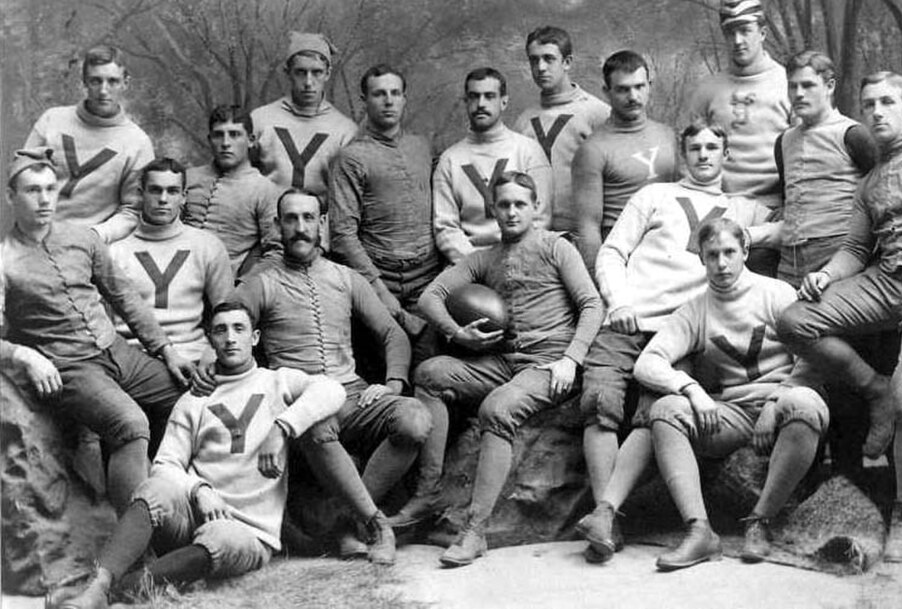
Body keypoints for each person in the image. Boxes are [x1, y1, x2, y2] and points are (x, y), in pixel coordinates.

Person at [777, 71, 902, 563]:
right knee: (795, 320)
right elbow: (857, 248)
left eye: (886, 102)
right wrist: (825, 276)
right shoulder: (871, 179)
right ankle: (873, 388)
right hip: (886, 284)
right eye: (867, 104)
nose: (876, 112)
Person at [576, 122, 780, 562]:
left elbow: (789, 229)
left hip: (683, 332)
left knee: (658, 414)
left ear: (726, 154)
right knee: (599, 402)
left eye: (713, 146)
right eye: (694, 148)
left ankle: (614, 514)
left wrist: (752, 234)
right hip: (629, 318)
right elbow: (612, 251)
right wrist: (620, 300)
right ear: (682, 154)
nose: (704, 155)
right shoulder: (654, 195)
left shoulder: (741, 209)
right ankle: (605, 517)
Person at [57, 302, 347, 609]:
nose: (230, 338)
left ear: (255, 337)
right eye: (220, 330)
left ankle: (117, 591)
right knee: (154, 489)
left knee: (220, 538)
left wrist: (282, 428)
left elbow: (332, 389)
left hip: (249, 533)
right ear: (210, 339)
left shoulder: (278, 382)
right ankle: (98, 586)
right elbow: (165, 465)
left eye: (239, 329)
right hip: (194, 516)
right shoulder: (194, 400)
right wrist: (199, 490)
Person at [393, 172, 603, 568]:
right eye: (503, 205)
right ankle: (429, 490)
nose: (510, 212)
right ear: (493, 209)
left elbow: (592, 305)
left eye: (519, 204)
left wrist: (571, 359)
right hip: (503, 362)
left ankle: (475, 529)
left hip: (549, 364)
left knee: (497, 409)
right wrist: (459, 335)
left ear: (535, 207)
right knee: (431, 374)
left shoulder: (556, 247)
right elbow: (429, 297)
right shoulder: (484, 257)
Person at [607, 217, 826, 570]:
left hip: (786, 401)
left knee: (805, 404)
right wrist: (691, 390)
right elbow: (647, 363)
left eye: (729, 253)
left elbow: (813, 360)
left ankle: (760, 520)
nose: (722, 264)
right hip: (733, 413)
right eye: (712, 255)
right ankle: (700, 531)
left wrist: (774, 402)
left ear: (745, 252)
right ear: (701, 260)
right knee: (665, 409)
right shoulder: (696, 309)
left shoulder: (777, 293)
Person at [234, 188, 431, 564]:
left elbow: (393, 334)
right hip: (301, 401)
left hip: (353, 394)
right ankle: (376, 525)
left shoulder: (345, 277)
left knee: (415, 419)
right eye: (291, 219)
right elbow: (231, 329)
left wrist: (391, 384)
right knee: (316, 426)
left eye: (309, 218)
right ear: (278, 226)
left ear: (322, 223)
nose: (300, 228)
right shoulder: (261, 282)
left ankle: (346, 523)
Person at [0, 148, 190, 513]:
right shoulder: (5, 259)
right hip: (71, 368)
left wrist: (165, 350)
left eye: (50, 189)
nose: (44, 199)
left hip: (117, 351)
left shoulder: (82, 238)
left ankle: (179, 504)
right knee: (130, 424)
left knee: (191, 399)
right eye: (32, 190)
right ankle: (134, 548)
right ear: (11, 196)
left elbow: (124, 296)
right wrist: (25, 355)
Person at [329, 64, 440, 341]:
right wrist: (379, 290)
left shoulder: (422, 147)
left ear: (404, 98)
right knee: (384, 366)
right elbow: (342, 234)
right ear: (364, 101)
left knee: (428, 363)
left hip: (427, 278)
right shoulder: (350, 158)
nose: (388, 101)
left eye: (395, 93)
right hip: (378, 279)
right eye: (379, 94)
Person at [688, 0, 791, 275]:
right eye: (730, 32)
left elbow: (809, 155)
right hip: (718, 204)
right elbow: (691, 152)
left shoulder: (787, 84)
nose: (737, 40)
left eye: (745, 30)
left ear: (763, 33)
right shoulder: (708, 90)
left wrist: (789, 205)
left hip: (772, 209)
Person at [23, 46, 154, 243]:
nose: (103, 90)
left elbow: (132, 211)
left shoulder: (137, 142)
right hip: (37, 236)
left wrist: (94, 236)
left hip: (93, 246)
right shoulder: (52, 120)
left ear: (125, 83)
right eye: (95, 81)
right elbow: (23, 178)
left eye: (112, 81)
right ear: (84, 82)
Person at [110, 158, 233, 368]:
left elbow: (229, 311)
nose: (163, 199)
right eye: (155, 190)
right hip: (134, 364)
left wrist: (212, 352)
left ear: (184, 197)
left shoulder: (207, 246)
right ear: (141, 193)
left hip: (195, 359)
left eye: (172, 191)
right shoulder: (115, 252)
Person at [775, 51, 876, 286]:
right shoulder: (784, 141)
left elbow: (881, 197)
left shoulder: (852, 134)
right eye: (793, 87)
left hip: (836, 253)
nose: (799, 94)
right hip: (790, 259)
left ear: (829, 86)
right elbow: (787, 199)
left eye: (808, 85)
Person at [571, 50, 677, 272]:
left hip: (669, 250)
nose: (633, 97)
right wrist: (600, 282)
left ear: (650, 85)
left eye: (639, 87)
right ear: (606, 92)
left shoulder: (668, 135)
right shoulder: (593, 149)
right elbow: (588, 227)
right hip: (623, 256)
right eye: (622, 89)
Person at [433, 67, 552, 264]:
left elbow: (540, 218)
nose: (481, 104)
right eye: (474, 96)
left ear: (503, 101)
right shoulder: (450, 159)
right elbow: (446, 227)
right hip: (469, 266)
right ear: (466, 102)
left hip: (523, 261)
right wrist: (478, 266)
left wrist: (513, 262)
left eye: (489, 96)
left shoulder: (529, 151)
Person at [513, 26, 608, 237]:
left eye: (549, 59)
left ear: (567, 62)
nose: (541, 67)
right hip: (536, 234)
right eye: (534, 60)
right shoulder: (523, 122)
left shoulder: (597, 113)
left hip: (586, 232)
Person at [251, 31, 357, 199]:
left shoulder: (345, 131)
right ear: (288, 73)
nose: (308, 82)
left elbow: (348, 195)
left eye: (316, 72)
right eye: (301, 72)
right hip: (267, 219)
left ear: (328, 73)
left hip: (321, 221)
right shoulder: (260, 120)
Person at [184, 105, 282, 279]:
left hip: (226, 288)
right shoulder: (188, 178)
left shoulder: (264, 189)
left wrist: (243, 287)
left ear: (251, 140)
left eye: (235, 134)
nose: (225, 143)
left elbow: (276, 252)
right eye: (218, 135)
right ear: (209, 139)